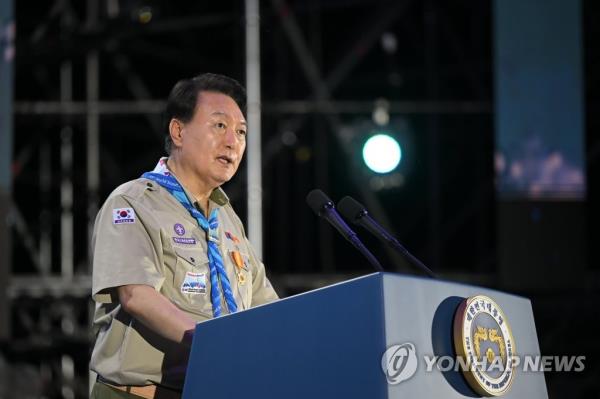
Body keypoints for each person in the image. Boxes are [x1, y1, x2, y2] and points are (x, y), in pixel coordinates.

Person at [89, 73, 279, 399]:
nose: (233, 141)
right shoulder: (133, 202)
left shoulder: (227, 220)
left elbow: (266, 309)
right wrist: (215, 344)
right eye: (219, 126)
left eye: (241, 132)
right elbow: (137, 295)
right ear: (178, 131)